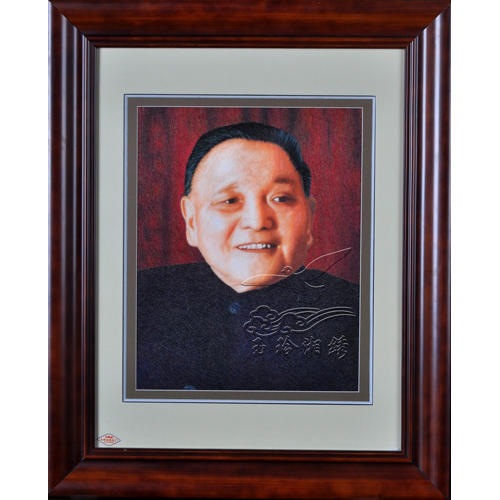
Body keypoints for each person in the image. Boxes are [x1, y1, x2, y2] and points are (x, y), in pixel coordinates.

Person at [136, 122, 359, 393]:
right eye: (230, 201)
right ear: (191, 221)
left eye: (281, 198)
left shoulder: (358, 312)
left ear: (309, 218)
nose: (256, 221)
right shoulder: (135, 300)